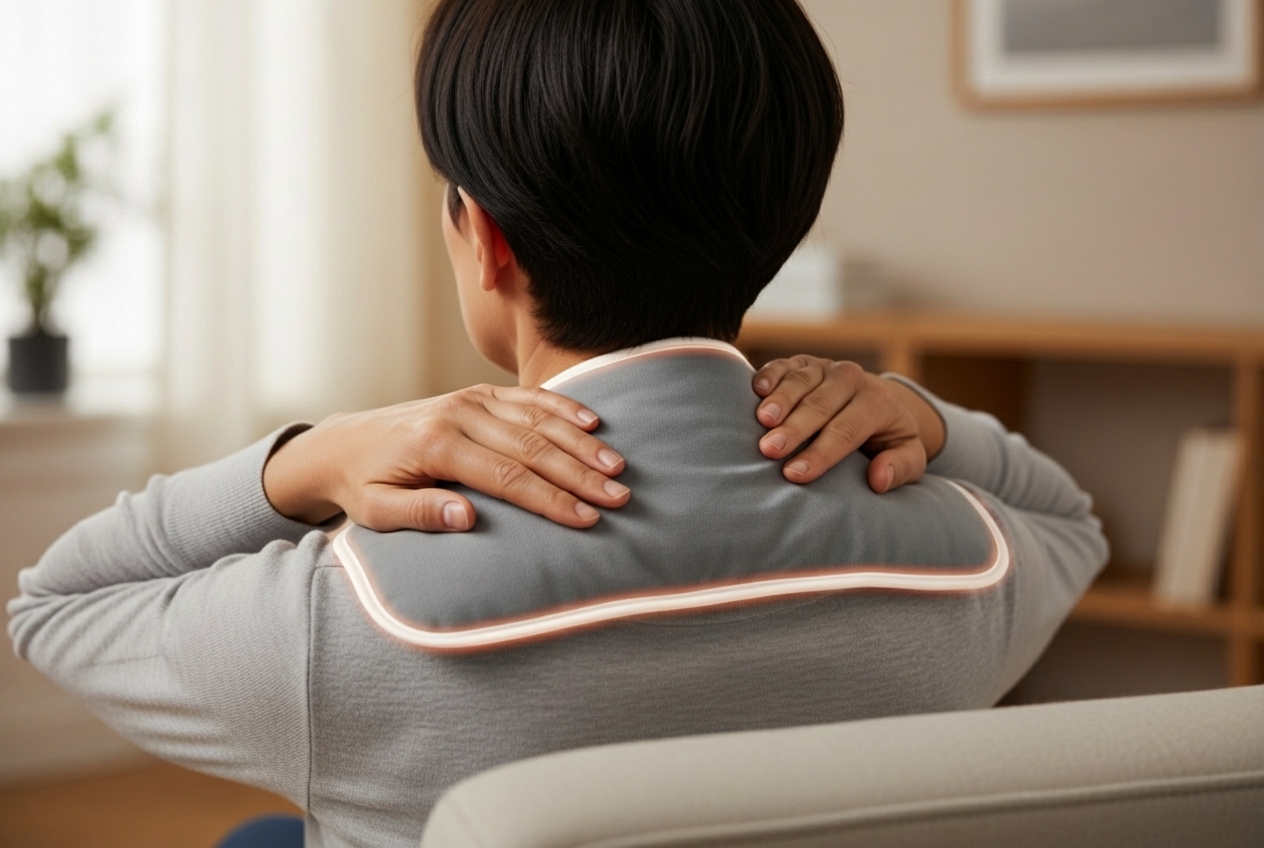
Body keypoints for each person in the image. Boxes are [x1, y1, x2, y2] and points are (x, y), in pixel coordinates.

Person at [8, 1, 1108, 846]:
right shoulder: (971, 564)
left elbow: (57, 604)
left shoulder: (345, 619)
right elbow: (1071, 518)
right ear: (782, 219)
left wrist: (307, 457)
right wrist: (920, 414)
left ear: (486, 239)